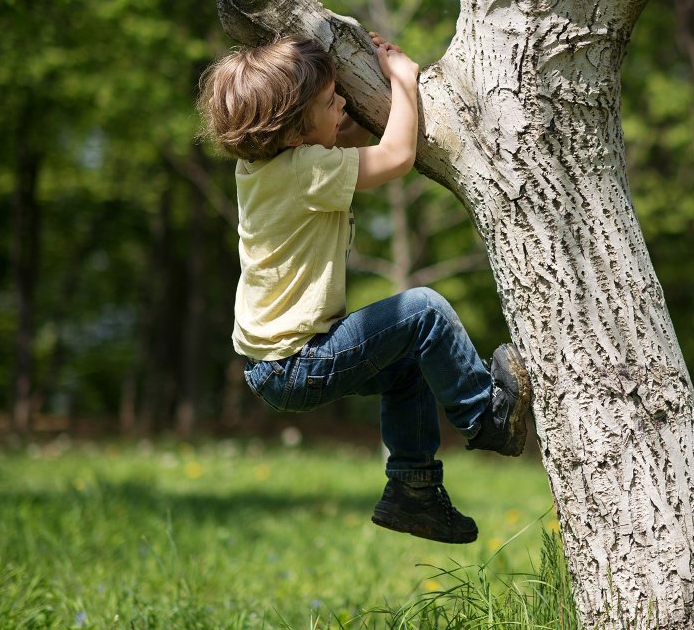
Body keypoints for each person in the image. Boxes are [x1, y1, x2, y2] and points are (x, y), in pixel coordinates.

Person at [197, 31, 531, 545]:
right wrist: (403, 81)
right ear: (293, 135)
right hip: (298, 361)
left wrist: (347, 97)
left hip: (275, 367)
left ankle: (412, 490)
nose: (345, 105)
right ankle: (486, 417)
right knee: (424, 312)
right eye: (332, 101)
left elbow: (341, 138)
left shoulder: (261, 167)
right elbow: (396, 156)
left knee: (409, 365)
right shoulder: (307, 170)